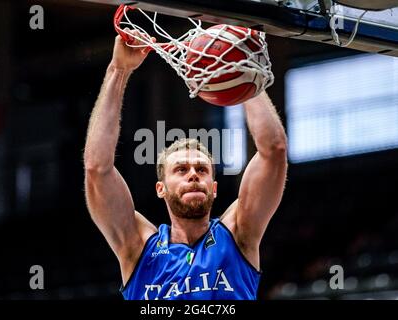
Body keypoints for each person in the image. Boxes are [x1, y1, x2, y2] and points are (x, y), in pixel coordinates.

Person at [83, 32, 288, 300]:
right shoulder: (138, 246)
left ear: (214, 188)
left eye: (202, 170)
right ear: (161, 188)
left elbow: (274, 151)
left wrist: (240, 71)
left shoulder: (239, 234)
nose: (193, 175)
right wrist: (118, 70)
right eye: (181, 170)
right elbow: (97, 168)